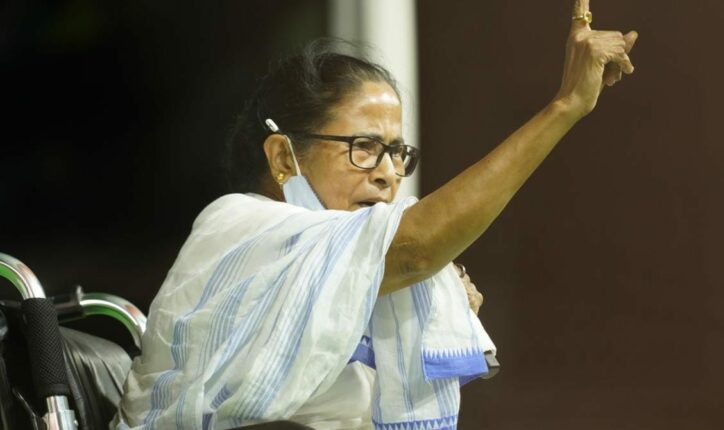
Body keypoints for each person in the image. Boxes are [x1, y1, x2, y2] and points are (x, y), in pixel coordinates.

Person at [115, 1, 637, 429]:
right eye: (363, 147)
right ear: (282, 158)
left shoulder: (346, 284)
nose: (389, 173)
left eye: (397, 153)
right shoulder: (235, 226)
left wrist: (433, 312)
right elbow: (415, 248)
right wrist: (565, 105)